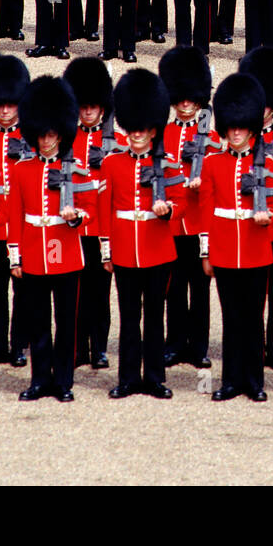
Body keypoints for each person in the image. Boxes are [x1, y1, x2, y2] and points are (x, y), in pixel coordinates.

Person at [6, 76, 99, 403]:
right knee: (38, 323)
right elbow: (14, 214)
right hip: (32, 252)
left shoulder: (77, 170)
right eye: (41, 135)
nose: (46, 141)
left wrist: (77, 217)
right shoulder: (21, 170)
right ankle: (39, 379)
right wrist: (15, 256)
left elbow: (90, 206)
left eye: (51, 135)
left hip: (68, 253)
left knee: (66, 323)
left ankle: (63, 381)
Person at [191, 73, 273, 402]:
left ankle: (254, 381)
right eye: (232, 127)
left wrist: (267, 216)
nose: (237, 132)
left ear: (251, 128)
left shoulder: (266, 163)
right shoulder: (213, 164)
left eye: (242, 127)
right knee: (231, 319)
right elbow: (206, 212)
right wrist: (206, 253)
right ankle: (230, 381)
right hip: (226, 251)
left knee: (254, 320)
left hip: (256, 251)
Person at [99, 68, 178, 400]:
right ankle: (129, 377)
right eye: (131, 129)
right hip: (126, 251)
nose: (135, 135)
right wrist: (107, 250)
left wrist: (169, 210)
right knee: (129, 318)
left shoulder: (168, 164)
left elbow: (183, 202)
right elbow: (105, 211)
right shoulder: (113, 163)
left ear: (152, 129)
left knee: (154, 318)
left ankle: (155, 378)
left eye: (141, 130)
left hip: (157, 248)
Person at [158, 47, 218, 370]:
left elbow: (221, 177)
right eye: (180, 98)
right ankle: (174, 343)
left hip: (198, 223)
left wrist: (202, 183)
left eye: (190, 99)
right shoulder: (163, 134)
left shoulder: (211, 134)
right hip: (171, 223)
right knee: (174, 287)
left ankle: (199, 347)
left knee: (200, 288)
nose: (184, 104)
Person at [64, 56, 118, 371]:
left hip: (101, 230)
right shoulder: (67, 140)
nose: (87, 111)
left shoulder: (115, 143)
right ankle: (77, 348)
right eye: (83, 106)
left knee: (99, 293)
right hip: (73, 229)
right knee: (75, 293)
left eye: (93, 106)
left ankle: (98, 347)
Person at [0, 54, 32, 371]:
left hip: (22, 228)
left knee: (23, 292)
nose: (5, 110)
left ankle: (19, 345)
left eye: (10, 104)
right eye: (0, 105)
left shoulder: (30, 138)